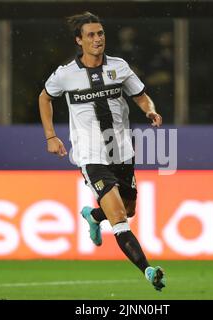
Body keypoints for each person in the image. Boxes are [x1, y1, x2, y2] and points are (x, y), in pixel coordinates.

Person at [38, 12, 166, 291]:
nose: (98, 39)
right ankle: (148, 271)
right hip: (91, 155)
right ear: (79, 40)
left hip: (122, 151)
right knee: (119, 218)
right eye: (91, 35)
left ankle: (93, 216)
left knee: (129, 210)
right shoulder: (65, 74)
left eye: (101, 33)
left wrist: (150, 110)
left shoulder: (119, 67)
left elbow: (140, 94)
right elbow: (45, 97)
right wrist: (51, 136)